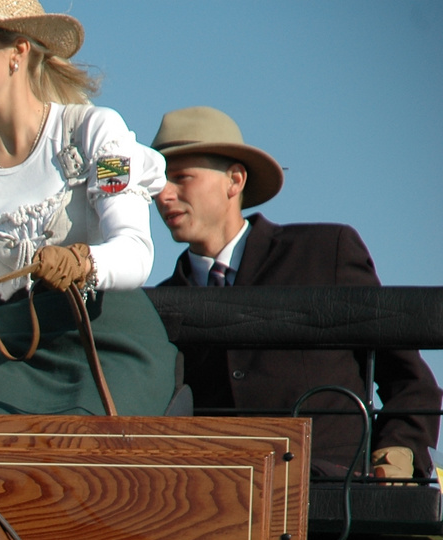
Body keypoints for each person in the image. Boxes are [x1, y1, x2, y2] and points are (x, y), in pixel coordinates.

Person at [0, 0, 178, 417]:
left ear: (19, 50)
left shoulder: (95, 132)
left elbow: (136, 254)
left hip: (111, 341)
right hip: (11, 352)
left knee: (77, 441)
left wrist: (82, 261)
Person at [152, 106, 439, 478]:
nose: (163, 195)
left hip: (336, 506)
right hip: (218, 510)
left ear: (234, 180)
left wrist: (396, 454)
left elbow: (409, 379)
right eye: (155, 182)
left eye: (180, 177)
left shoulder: (325, 251)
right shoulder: (157, 302)